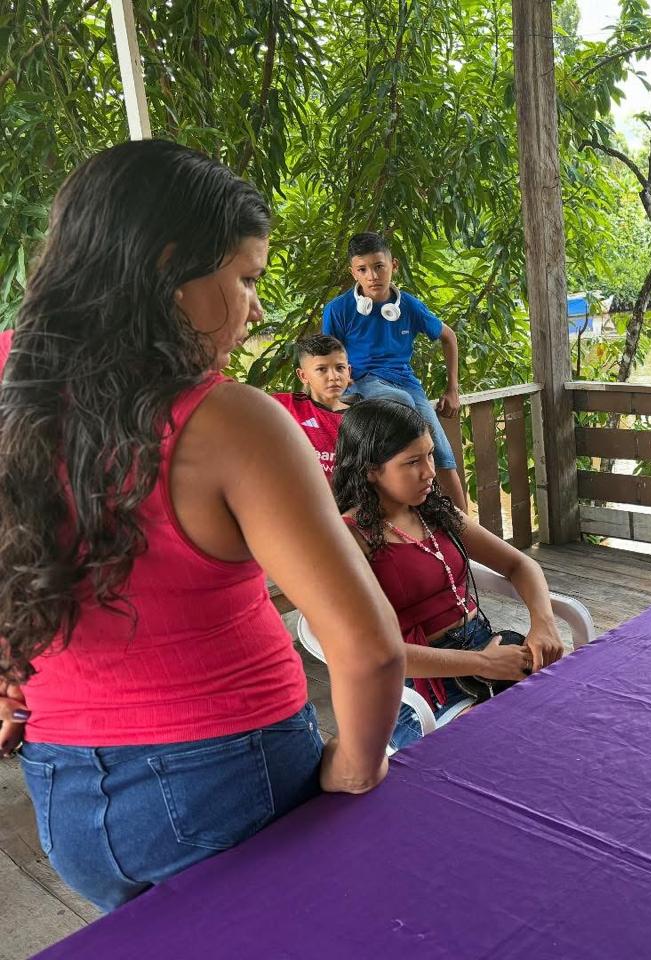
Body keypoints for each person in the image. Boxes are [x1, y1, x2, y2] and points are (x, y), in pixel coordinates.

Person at [0, 141, 405, 912]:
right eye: (246, 278)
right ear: (169, 265)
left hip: (65, 797)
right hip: (230, 779)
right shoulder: (230, 423)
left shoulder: (9, 384)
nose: (256, 309)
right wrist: (357, 766)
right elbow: (370, 648)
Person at [331, 398, 563, 723]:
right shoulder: (350, 538)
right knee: (505, 733)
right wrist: (484, 663)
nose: (429, 471)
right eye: (412, 462)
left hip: (484, 644)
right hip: (416, 681)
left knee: (570, 706)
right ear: (370, 470)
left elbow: (519, 565)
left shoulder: (435, 511)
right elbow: (370, 652)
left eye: (429, 454)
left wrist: (543, 624)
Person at [322, 232, 467, 510]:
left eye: (379, 266)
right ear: (353, 273)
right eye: (362, 269)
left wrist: (452, 389)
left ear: (394, 266)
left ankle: (465, 529)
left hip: (406, 384)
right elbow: (329, 353)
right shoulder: (338, 309)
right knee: (403, 407)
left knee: (442, 452)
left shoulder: (409, 306)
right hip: (361, 382)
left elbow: (448, 337)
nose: (372, 276)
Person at [272, 334, 355, 478]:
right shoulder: (286, 405)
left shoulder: (363, 417)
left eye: (340, 368)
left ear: (349, 372)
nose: (333, 376)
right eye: (322, 369)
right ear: (303, 376)